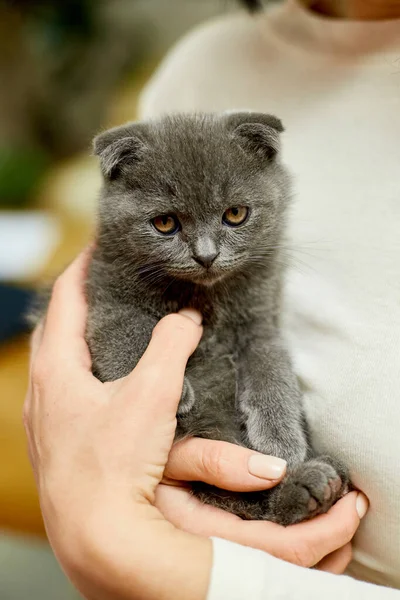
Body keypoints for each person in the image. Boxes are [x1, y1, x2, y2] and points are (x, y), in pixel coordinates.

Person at [24, 0, 400, 597]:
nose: (204, 252)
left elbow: (259, 340)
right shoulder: (203, 67)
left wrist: (117, 543)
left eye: (232, 215)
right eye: (170, 225)